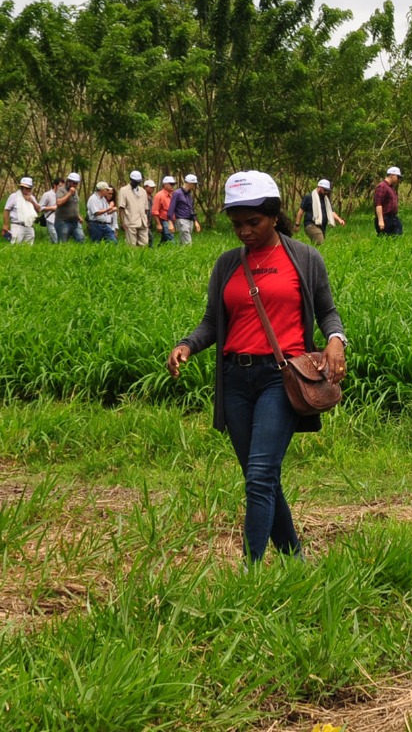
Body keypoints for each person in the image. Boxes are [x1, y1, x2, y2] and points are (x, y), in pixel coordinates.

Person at [167, 170, 347, 564]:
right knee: (259, 478)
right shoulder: (228, 263)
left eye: (254, 222)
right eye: (237, 225)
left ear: (274, 215)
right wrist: (187, 345)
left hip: (279, 379)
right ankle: (294, 560)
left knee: (260, 476)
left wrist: (336, 341)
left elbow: (328, 312)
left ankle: (250, 571)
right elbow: (212, 323)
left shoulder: (304, 258)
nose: (244, 232)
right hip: (234, 380)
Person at [300, 179, 345, 245]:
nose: (326, 192)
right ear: (320, 188)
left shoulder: (326, 200)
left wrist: (339, 219)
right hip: (311, 224)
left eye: (327, 190)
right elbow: (301, 211)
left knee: (318, 244)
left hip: (322, 226)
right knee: (319, 241)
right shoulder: (309, 197)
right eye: (325, 190)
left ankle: (311, 254)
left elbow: (331, 212)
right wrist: (297, 224)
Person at [118, 170, 152, 247]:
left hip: (142, 221)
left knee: (144, 243)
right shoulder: (124, 190)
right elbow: (121, 207)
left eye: (138, 181)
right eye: (135, 181)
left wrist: (146, 220)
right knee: (131, 245)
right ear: (130, 179)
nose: (136, 183)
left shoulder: (143, 191)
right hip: (130, 220)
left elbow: (146, 208)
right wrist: (122, 222)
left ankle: (141, 258)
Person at [3, 177, 41, 244]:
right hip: (17, 225)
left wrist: (32, 201)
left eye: (29, 188)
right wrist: (6, 224)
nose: (28, 190)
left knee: (29, 248)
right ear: (22, 187)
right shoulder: (14, 196)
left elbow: (38, 210)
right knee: (15, 245)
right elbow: (6, 210)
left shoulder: (32, 198)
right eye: (26, 188)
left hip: (29, 226)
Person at [52, 172, 84, 243]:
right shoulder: (61, 190)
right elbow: (59, 203)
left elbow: (74, 205)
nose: (75, 185)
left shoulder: (75, 192)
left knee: (81, 238)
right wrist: (69, 194)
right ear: (68, 181)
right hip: (63, 221)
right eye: (74, 183)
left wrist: (78, 216)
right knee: (63, 242)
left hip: (75, 221)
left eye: (77, 183)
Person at [372, 168, 403, 236]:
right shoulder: (382, 186)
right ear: (392, 175)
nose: (398, 179)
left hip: (393, 218)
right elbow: (378, 204)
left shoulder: (390, 187)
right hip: (385, 218)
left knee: (398, 236)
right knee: (385, 238)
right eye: (398, 177)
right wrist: (381, 220)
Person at [172, 174, 201, 245]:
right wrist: (170, 222)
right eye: (194, 184)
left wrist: (195, 221)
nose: (194, 186)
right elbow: (171, 208)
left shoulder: (189, 194)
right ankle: (191, 255)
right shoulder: (177, 193)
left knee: (183, 242)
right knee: (188, 243)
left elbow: (191, 209)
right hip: (182, 220)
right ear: (190, 183)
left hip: (190, 220)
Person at [154, 176, 176, 244]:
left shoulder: (173, 194)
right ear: (165, 184)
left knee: (164, 239)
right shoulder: (159, 195)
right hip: (164, 220)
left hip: (171, 220)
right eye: (171, 184)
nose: (172, 186)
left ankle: (158, 250)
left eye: (173, 184)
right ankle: (176, 251)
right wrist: (158, 224)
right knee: (170, 237)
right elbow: (155, 211)